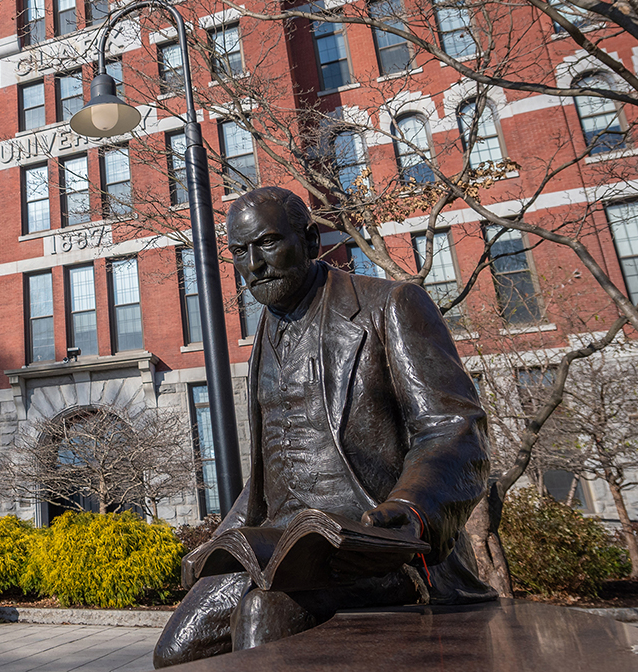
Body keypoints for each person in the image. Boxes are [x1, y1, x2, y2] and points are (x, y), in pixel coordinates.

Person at [153, 187, 495, 667]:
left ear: (310, 241)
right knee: (176, 652)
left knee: (263, 614)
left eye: (269, 243)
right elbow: (270, 471)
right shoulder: (268, 332)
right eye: (239, 251)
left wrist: (409, 510)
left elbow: (454, 429)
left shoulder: (391, 304)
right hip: (277, 544)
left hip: (373, 547)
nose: (254, 264)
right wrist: (217, 543)